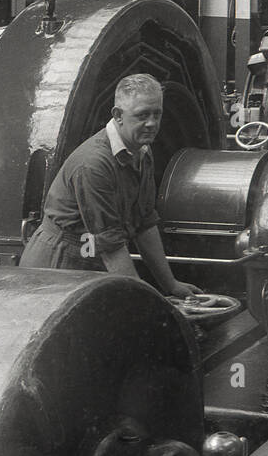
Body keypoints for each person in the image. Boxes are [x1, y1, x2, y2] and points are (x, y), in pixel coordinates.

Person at [19, 72, 200, 298]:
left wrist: (170, 284)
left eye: (157, 113)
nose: (152, 123)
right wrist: (145, 302)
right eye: (143, 115)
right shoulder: (93, 165)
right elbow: (110, 245)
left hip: (91, 258)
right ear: (118, 115)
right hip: (56, 267)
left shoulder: (142, 150)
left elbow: (144, 222)